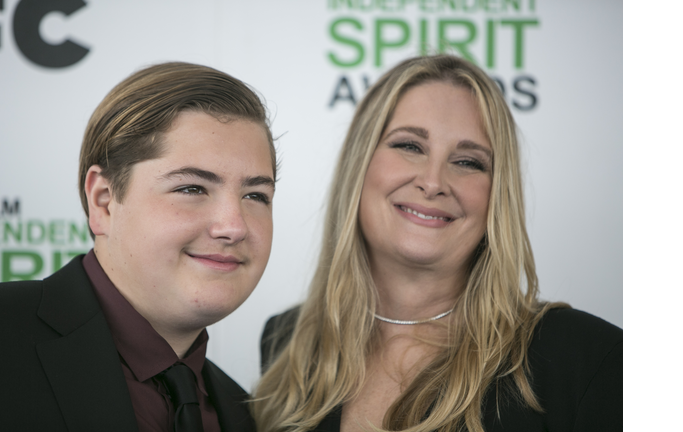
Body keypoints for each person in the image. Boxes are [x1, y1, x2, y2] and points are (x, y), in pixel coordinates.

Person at [254, 55, 621, 432]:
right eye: (410, 146)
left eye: (468, 162)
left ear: (498, 195)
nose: (433, 182)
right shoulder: (287, 341)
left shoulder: (587, 358)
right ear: (360, 164)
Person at [0, 62, 277, 432]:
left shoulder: (246, 415)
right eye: (192, 188)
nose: (234, 227)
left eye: (256, 195)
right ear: (103, 201)